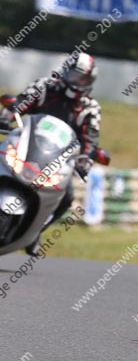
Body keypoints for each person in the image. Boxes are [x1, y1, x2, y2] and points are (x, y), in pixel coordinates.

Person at [0, 52, 100, 254]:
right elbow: (20, 104)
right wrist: (7, 116)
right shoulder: (44, 86)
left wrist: (86, 160)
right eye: (76, 76)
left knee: (67, 197)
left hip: (56, 162)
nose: (79, 82)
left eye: (84, 79)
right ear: (65, 73)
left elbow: (90, 140)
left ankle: (36, 231)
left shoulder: (90, 108)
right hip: (24, 146)